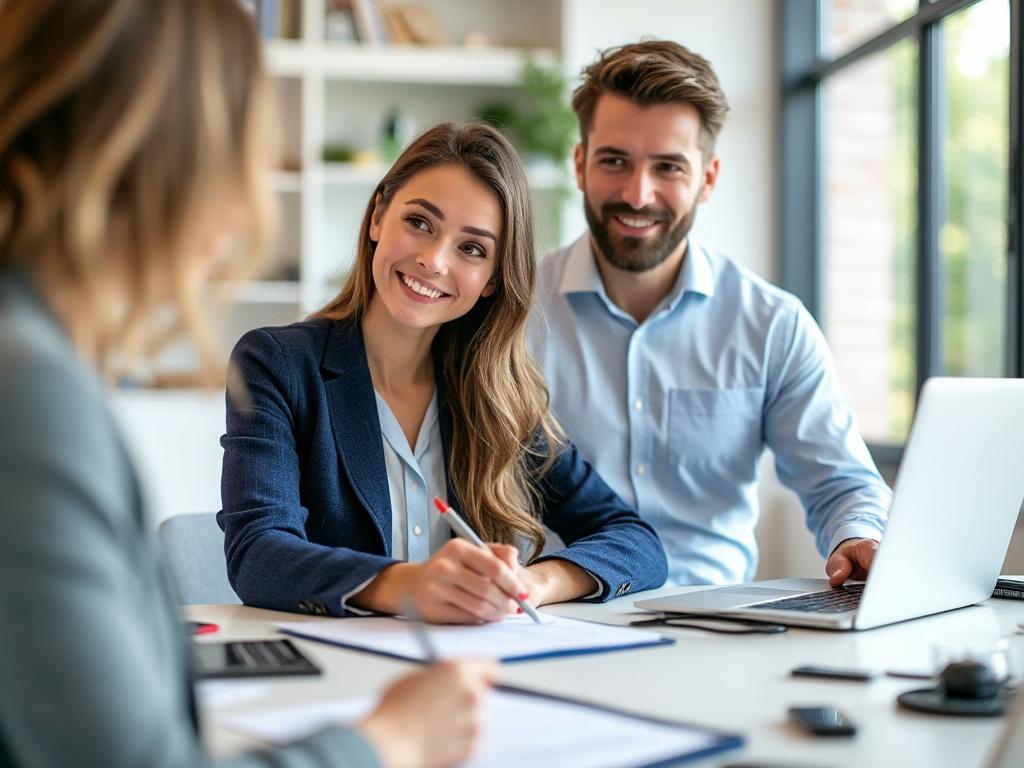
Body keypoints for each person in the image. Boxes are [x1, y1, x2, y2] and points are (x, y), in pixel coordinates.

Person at [0, 2, 494, 766]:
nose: (247, 209)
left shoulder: (40, 369)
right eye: (238, 154)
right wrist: (387, 742)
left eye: (472, 248)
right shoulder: (30, 401)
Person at [219, 122, 667, 623]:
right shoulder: (277, 364)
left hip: (477, 672)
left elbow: (636, 543)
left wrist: (534, 583)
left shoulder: (500, 400)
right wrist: (410, 585)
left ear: (493, 281)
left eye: (471, 249)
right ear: (377, 216)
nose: (433, 260)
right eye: (419, 222)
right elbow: (257, 553)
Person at [530, 40, 891, 590]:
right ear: (580, 165)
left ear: (708, 178)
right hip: (550, 613)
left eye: (668, 167)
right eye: (614, 161)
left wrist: (858, 536)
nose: (638, 193)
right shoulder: (511, 310)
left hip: (716, 625)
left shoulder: (771, 324)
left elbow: (840, 481)